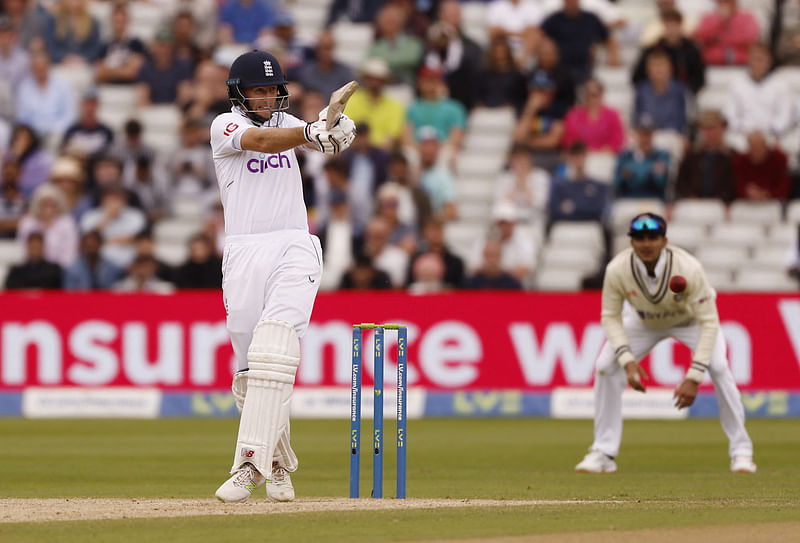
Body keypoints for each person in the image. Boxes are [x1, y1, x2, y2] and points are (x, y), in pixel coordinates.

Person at [209, 50, 355, 503]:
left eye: (275, 90)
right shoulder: (225, 126)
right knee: (254, 373)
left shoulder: (289, 124)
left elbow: (318, 139)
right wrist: (313, 130)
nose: (270, 98)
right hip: (243, 254)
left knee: (276, 347)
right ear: (239, 94)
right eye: (259, 90)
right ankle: (276, 461)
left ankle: (248, 464)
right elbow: (263, 142)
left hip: (294, 244)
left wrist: (336, 130)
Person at [574, 213, 756, 474]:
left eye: (653, 238)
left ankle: (741, 452)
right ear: (631, 243)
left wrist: (694, 377)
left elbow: (709, 322)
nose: (646, 244)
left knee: (718, 368)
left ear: (664, 241)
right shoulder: (617, 269)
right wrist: (628, 361)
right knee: (605, 366)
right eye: (639, 238)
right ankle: (603, 452)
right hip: (644, 322)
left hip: (692, 323)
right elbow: (611, 317)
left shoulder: (688, 268)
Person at [693, 0, 759, 66]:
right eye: (722, 2)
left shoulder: (747, 17)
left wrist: (722, 38)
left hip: (741, 63)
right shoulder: (709, 17)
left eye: (728, 2)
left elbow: (750, 37)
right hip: (713, 63)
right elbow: (702, 36)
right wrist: (720, 20)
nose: (726, 4)